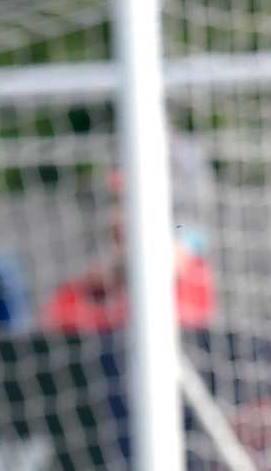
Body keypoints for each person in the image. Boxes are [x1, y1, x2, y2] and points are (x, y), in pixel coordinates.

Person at [41, 134, 217, 333]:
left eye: (125, 203)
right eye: (115, 202)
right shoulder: (87, 288)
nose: (115, 217)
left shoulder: (187, 278)